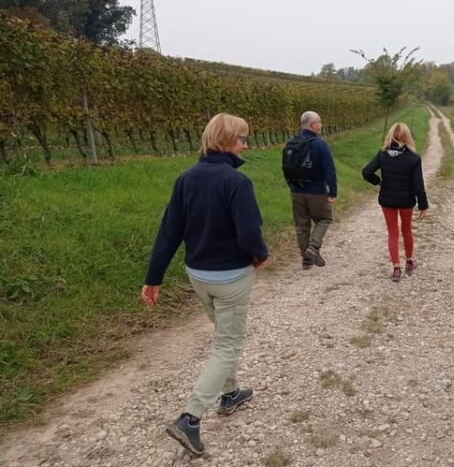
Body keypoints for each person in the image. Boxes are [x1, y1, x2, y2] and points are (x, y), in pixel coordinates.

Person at [141, 113, 269, 457]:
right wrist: (260, 255)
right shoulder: (236, 183)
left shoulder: (186, 179)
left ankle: (230, 394)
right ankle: (191, 418)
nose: (246, 145)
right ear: (226, 141)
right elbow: (249, 233)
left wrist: (153, 278)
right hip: (231, 278)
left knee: (223, 337)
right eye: (242, 139)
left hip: (198, 276)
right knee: (228, 345)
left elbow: (169, 232)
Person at [362, 122, 428, 282]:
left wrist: (378, 182)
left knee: (392, 232)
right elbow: (418, 184)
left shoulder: (382, 154)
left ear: (391, 136)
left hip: (387, 199)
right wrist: (423, 205)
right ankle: (410, 261)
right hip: (406, 200)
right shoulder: (413, 158)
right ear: (407, 137)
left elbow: (366, 171)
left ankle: (396, 267)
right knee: (406, 229)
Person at [282, 111, 337, 269]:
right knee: (324, 219)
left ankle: (306, 260)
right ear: (313, 125)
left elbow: (285, 167)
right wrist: (332, 192)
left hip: (296, 190)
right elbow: (329, 170)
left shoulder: (291, 143)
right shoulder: (320, 144)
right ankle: (313, 247)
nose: (321, 125)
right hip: (317, 191)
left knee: (301, 224)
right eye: (319, 122)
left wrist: (292, 186)